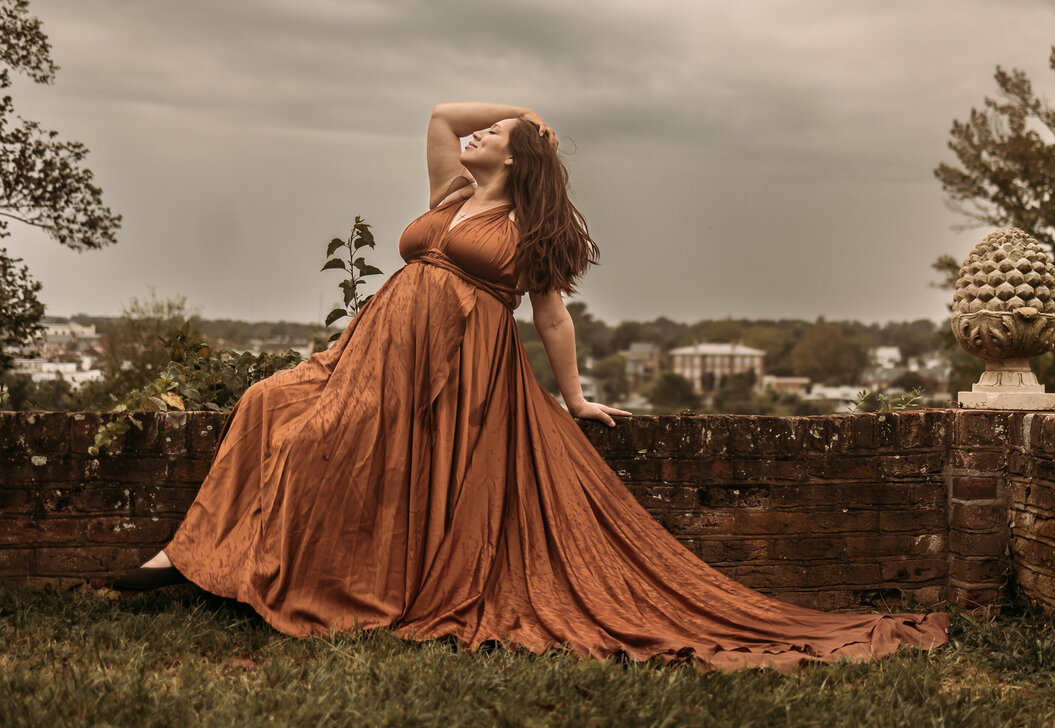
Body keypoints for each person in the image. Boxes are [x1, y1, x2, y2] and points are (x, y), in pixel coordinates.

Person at [114, 102, 949, 671]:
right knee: (268, 403)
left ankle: (243, 568)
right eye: (486, 132)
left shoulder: (527, 229)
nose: (476, 136)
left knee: (318, 443)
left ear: (516, 157)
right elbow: (444, 113)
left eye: (497, 134)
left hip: (456, 368)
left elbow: (552, 320)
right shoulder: (447, 193)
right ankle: (187, 556)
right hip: (374, 348)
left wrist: (575, 397)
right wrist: (522, 117)